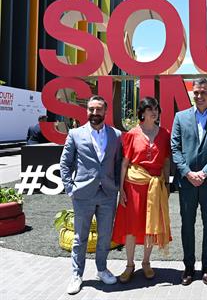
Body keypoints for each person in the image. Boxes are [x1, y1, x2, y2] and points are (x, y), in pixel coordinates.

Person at [60, 95, 122, 295]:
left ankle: (102, 270)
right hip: (83, 195)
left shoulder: (116, 135)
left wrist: (118, 188)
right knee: (80, 238)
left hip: (107, 195)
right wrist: (70, 188)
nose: (94, 113)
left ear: (105, 111)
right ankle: (77, 275)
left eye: (98, 109)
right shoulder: (75, 134)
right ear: (87, 111)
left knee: (105, 237)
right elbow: (65, 163)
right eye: (91, 109)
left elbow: (119, 163)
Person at [171, 78, 207, 286]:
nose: (199, 96)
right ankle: (188, 267)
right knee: (187, 224)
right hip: (187, 182)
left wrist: (204, 172)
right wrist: (188, 173)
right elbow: (175, 149)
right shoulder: (180, 117)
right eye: (196, 92)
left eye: (203, 92)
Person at [112, 97, 172, 283]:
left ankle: (146, 262)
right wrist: (121, 189)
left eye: (156, 108)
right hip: (134, 186)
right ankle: (130, 265)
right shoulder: (132, 134)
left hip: (155, 187)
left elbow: (166, 161)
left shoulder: (164, 134)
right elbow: (125, 164)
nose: (154, 112)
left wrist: (167, 184)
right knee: (131, 228)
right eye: (150, 108)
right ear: (142, 112)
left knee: (151, 227)